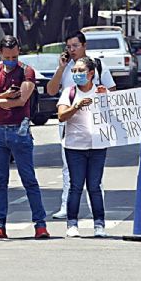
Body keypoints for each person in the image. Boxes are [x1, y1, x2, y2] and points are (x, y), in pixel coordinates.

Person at [0, 36, 49, 239]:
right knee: (0, 181)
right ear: (0, 53)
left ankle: (40, 225)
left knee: (29, 179)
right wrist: (4, 97)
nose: (11, 59)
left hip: (20, 130)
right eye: (7, 56)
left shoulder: (27, 71)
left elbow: (20, 101)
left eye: (15, 56)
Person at [46, 30, 116, 220]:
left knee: (95, 173)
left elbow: (112, 91)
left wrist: (102, 95)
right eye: (68, 47)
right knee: (69, 168)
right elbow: (51, 90)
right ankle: (66, 207)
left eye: (75, 46)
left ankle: (98, 209)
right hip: (71, 121)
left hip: (95, 124)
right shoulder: (66, 67)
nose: (72, 50)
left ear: (84, 46)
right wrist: (61, 68)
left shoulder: (97, 65)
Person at [57, 57, 109, 237]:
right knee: (76, 186)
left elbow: (115, 116)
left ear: (91, 73)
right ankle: (72, 223)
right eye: (74, 71)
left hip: (98, 146)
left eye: (81, 71)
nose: (77, 74)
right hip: (74, 147)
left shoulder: (101, 92)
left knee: (94, 186)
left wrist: (106, 98)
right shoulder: (69, 92)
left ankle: (99, 224)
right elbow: (62, 116)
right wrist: (76, 106)